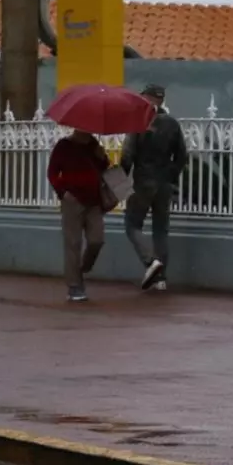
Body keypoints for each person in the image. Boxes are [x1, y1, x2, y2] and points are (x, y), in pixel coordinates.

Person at [120, 84, 188, 291]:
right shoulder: (172, 124)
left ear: (148, 98)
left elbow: (127, 156)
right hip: (164, 183)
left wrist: (120, 182)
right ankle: (161, 280)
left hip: (143, 181)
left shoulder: (139, 122)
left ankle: (151, 262)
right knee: (161, 230)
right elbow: (182, 156)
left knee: (132, 225)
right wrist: (170, 176)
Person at [47, 129, 110, 302]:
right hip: (73, 201)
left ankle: (83, 267)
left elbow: (104, 167)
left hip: (94, 201)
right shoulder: (64, 146)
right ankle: (75, 286)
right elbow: (52, 172)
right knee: (73, 243)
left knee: (97, 240)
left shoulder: (93, 145)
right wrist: (62, 192)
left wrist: (102, 156)